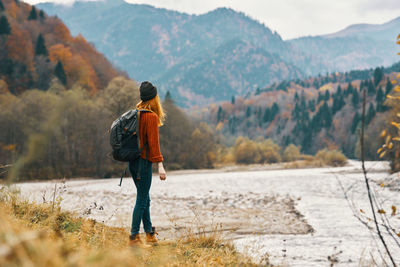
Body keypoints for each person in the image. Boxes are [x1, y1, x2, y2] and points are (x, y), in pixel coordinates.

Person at [129, 81, 167, 247]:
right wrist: (160, 165)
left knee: (145, 199)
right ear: (154, 98)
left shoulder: (135, 114)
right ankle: (134, 237)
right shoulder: (150, 116)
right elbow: (154, 144)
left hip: (132, 163)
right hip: (144, 163)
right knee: (142, 200)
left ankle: (150, 234)